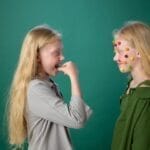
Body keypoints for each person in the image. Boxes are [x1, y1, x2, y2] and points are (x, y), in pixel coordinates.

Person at [7, 25, 92, 150]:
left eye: (61, 52)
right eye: (56, 52)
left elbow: (79, 116)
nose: (62, 57)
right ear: (37, 56)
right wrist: (74, 77)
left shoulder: (48, 85)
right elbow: (77, 119)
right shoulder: (36, 90)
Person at [111, 21, 150, 150]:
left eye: (120, 51)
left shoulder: (145, 98)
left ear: (139, 52)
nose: (115, 58)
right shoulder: (132, 85)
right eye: (115, 52)